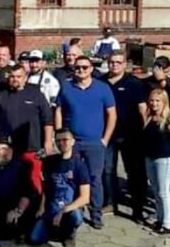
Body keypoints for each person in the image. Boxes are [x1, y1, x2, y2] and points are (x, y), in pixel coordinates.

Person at [54, 55, 115, 229]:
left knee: (95, 179)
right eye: (78, 67)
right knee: (70, 178)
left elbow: (112, 114)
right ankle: (73, 212)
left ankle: (96, 214)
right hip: (72, 143)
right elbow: (58, 110)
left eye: (85, 67)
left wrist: (105, 139)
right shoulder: (66, 87)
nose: (81, 70)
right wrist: (60, 135)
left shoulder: (102, 88)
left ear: (91, 69)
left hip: (95, 143)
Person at [0, 63, 54, 195]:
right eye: (12, 77)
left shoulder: (36, 93)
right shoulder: (0, 95)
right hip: (7, 148)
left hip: (31, 146)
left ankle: (36, 209)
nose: (15, 79)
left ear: (25, 77)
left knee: (34, 180)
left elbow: (47, 119)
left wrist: (48, 142)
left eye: (18, 76)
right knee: (9, 182)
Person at [103, 51, 148, 220]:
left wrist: (145, 132)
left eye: (118, 62)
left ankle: (138, 208)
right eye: (112, 62)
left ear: (124, 64)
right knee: (107, 171)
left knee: (135, 172)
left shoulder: (134, 83)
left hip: (132, 135)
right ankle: (110, 202)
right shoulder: (101, 82)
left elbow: (142, 109)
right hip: (109, 133)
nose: (114, 65)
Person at [30, 128, 91, 246]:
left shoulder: (79, 165)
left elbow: (85, 198)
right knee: (34, 238)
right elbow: (45, 187)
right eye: (58, 141)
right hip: (51, 207)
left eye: (65, 140)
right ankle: (53, 229)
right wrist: (41, 207)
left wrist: (63, 211)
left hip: (70, 209)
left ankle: (69, 234)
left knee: (76, 217)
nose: (61, 143)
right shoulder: (49, 162)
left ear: (72, 141)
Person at [143, 87, 170, 235]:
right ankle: (159, 219)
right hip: (150, 157)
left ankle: (167, 223)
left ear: (164, 102)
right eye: (152, 100)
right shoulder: (149, 117)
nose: (154, 104)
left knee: (164, 191)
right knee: (155, 191)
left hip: (164, 158)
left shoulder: (169, 119)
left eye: (158, 101)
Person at [0, 139, 34, 240]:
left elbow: (27, 193)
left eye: (3, 149)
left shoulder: (22, 167)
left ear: (11, 151)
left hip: (16, 210)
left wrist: (18, 211)